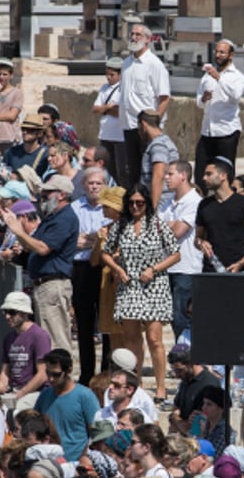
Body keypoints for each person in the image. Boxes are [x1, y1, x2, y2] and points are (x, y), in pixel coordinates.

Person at [100, 182, 180, 405]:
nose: (136, 207)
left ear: (147, 204)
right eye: (132, 203)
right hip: (130, 284)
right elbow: (106, 253)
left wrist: (154, 269)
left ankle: (161, 386)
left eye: (140, 203)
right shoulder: (121, 225)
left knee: (154, 339)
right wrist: (118, 269)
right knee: (131, 339)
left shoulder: (157, 224)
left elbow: (175, 254)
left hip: (154, 283)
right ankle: (139, 385)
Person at [2, 175, 80, 360]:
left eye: (47, 192)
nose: (42, 196)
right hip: (44, 285)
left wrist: (18, 230)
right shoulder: (52, 217)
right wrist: (19, 236)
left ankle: (63, 383)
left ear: (62, 195)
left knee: (55, 340)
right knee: (46, 339)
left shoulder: (65, 218)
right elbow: (33, 245)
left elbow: (43, 248)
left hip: (53, 284)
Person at [72, 167, 113, 385]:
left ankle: (106, 371)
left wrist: (91, 240)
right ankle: (87, 372)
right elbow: (73, 240)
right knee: (84, 323)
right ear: (83, 185)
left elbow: (107, 240)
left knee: (106, 321)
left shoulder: (110, 209)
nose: (94, 186)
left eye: (99, 183)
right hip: (81, 267)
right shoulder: (75, 208)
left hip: (105, 268)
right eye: (90, 183)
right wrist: (95, 239)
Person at [119, 22, 171, 187]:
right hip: (128, 124)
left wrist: (153, 123)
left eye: (138, 35)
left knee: (147, 167)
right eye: (132, 34)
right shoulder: (126, 63)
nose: (134, 38)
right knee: (132, 169)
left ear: (147, 39)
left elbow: (164, 97)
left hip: (146, 126)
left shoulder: (154, 64)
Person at [196, 156, 244, 273]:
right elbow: (198, 237)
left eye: (209, 174)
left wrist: (241, 263)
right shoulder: (204, 204)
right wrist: (201, 243)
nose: (204, 178)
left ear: (223, 176)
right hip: (211, 270)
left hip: (238, 271)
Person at [32, 349, 100, 463]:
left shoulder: (85, 396)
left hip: (75, 462)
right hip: (48, 462)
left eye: (56, 374)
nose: (51, 379)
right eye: (48, 373)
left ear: (69, 370)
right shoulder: (45, 395)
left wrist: (83, 460)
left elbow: (96, 434)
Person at [195, 40, 244, 183]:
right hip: (208, 131)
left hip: (226, 132)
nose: (218, 55)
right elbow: (199, 103)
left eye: (222, 52)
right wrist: (204, 98)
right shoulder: (207, 76)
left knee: (225, 174)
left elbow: (235, 95)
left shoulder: (237, 76)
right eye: (216, 52)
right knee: (200, 174)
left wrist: (218, 78)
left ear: (231, 55)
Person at [160, 160, 201, 339]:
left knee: (181, 316)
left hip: (186, 267)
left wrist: (165, 225)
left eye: (170, 173)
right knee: (174, 317)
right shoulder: (168, 202)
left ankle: (188, 358)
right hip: (167, 266)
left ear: (183, 175)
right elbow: (151, 227)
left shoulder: (194, 201)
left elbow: (178, 231)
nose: (165, 177)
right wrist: (170, 224)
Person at [0, 291, 51, 409]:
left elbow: (43, 374)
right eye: (5, 312)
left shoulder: (39, 335)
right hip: (14, 390)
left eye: (12, 312)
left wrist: (21, 394)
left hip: (37, 391)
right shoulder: (8, 338)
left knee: (18, 410)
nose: (7, 316)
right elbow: (5, 372)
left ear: (25, 312)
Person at [137, 109, 180, 209]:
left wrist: (152, 208)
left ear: (143, 125)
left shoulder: (158, 145)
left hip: (160, 203)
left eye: (138, 126)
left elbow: (158, 176)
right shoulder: (164, 141)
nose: (138, 131)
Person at [93, 57, 123, 180]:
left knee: (119, 170)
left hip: (119, 136)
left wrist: (104, 109)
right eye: (107, 74)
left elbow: (119, 112)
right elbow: (95, 109)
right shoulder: (104, 88)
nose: (109, 77)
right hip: (105, 135)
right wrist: (107, 107)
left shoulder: (123, 89)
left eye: (112, 75)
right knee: (105, 168)